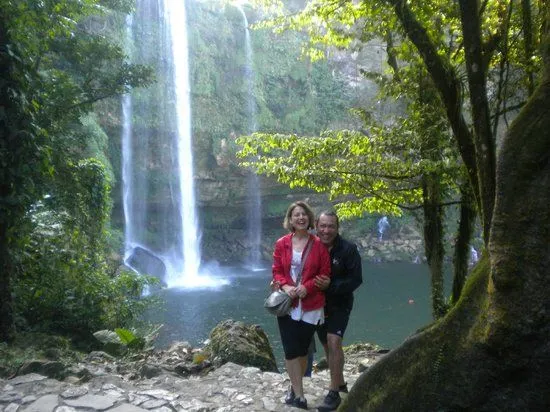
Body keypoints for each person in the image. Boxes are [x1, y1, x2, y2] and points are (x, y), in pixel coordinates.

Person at [272, 201, 331, 409]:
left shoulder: (319, 246)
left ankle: (294, 387)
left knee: (302, 350)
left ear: (309, 218)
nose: (300, 218)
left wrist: (307, 287)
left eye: (304, 214)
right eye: (296, 215)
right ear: (290, 219)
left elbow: (324, 273)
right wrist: (285, 286)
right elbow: (277, 269)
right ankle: (299, 394)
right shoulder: (282, 243)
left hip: (310, 305)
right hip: (287, 304)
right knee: (290, 350)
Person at [314, 210, 363, 411]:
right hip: (316, 305)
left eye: (331, 226)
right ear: (317, 226)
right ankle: (341, 381)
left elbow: (356, 279)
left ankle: (333, 393)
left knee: (334, 342)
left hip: (340, 304)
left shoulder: (348, 249)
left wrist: (331, 286)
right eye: (323, 226)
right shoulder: (311, 246)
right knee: (327, 345)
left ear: (337, 227)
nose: (326, 230)